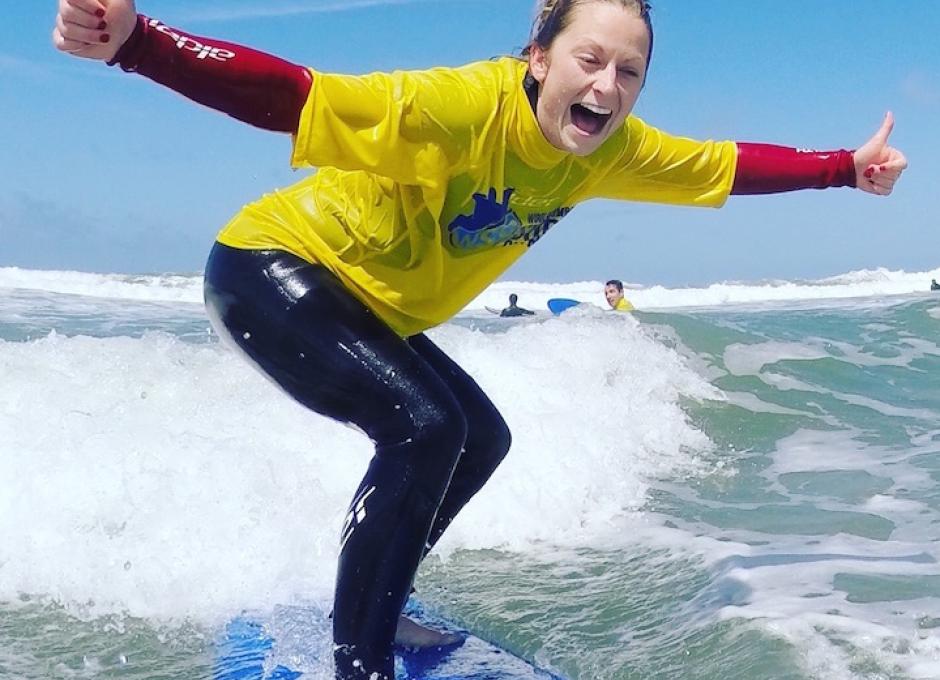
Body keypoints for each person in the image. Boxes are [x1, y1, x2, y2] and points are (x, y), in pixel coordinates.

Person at [52, 0, 907, 677]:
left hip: (366, 303)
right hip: (270, 268)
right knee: (425, 427)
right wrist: (137, 44)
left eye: (629, 70)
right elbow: (301, 97)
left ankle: (379, 604)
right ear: (539, 57)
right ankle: (360, 662)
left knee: (480, 437)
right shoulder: (462, 108)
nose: (606, 87)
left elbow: (724, 164)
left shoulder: (610, 150)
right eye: (589, 59)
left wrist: (844, 167)